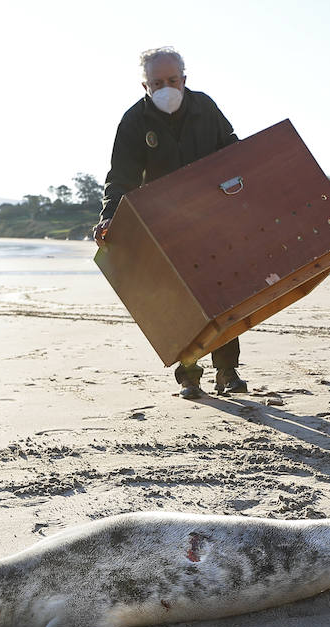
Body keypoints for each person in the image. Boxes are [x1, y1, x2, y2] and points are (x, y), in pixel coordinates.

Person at [93, 46, 248, 400]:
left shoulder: (205, 107)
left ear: (185, 79)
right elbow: (121, 179)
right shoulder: (134, 121)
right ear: (144, 85)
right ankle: (189, 375)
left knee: (222, 293)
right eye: (157, 82)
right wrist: (108, 219)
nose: (167, 88)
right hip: (163, 224)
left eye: (173, 80)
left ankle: (227, 370)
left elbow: (233, 150)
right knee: (181, 300)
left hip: (211, 217)